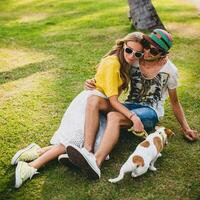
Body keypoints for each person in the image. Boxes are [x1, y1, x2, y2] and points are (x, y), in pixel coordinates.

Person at [11, 32, 145, 188]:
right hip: (90, 103)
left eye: (137, 53)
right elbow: (114, 101)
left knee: (76, 142)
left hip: (98, 102)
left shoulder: (125, 63)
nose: (132, 55)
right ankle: (31, 166)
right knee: (69, 142)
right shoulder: (113, 63)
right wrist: (133, 116)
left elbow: (103, 84)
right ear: (123, 46)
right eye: (129, 50)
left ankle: (37, 151)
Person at [65, 29, 199, 180]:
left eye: (153, 51)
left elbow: (175, 102)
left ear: (163, 54)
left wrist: (186, 128)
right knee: (93, 100)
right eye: (146, 45)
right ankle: (87, 150)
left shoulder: (170, 71)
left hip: (150, 111)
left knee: (114, 116)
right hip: (128, 105)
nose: (147, 52)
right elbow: (111, 73)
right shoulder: (135, 56)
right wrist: (92, 82)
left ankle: (96, 162)